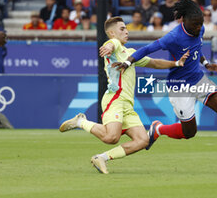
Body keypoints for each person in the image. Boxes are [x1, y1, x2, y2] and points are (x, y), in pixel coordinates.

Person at [115, 0, 217, 173]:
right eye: (195, 25)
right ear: (184, 20)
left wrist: (206, 64)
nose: (199, 28)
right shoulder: (173, 37)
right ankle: (158, 129)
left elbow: (197, 50)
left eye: (200, 24)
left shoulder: (199, 29)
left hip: (198, 80)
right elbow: (147, 49)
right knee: (189, 132)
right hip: (179, 86)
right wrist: (129, 62)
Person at [59, 16, 189, 174]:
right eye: (122, 29)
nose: (126, 31)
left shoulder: (131, 54)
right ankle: (81, 122)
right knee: (111, 138)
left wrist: (176, 63)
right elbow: (110, 44)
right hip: (115, 99)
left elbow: (154, 62)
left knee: (143, 141)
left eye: (126, 28)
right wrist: (107, 46)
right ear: (112, 33)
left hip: (127, 104)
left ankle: (101, 158)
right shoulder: (114, 45)